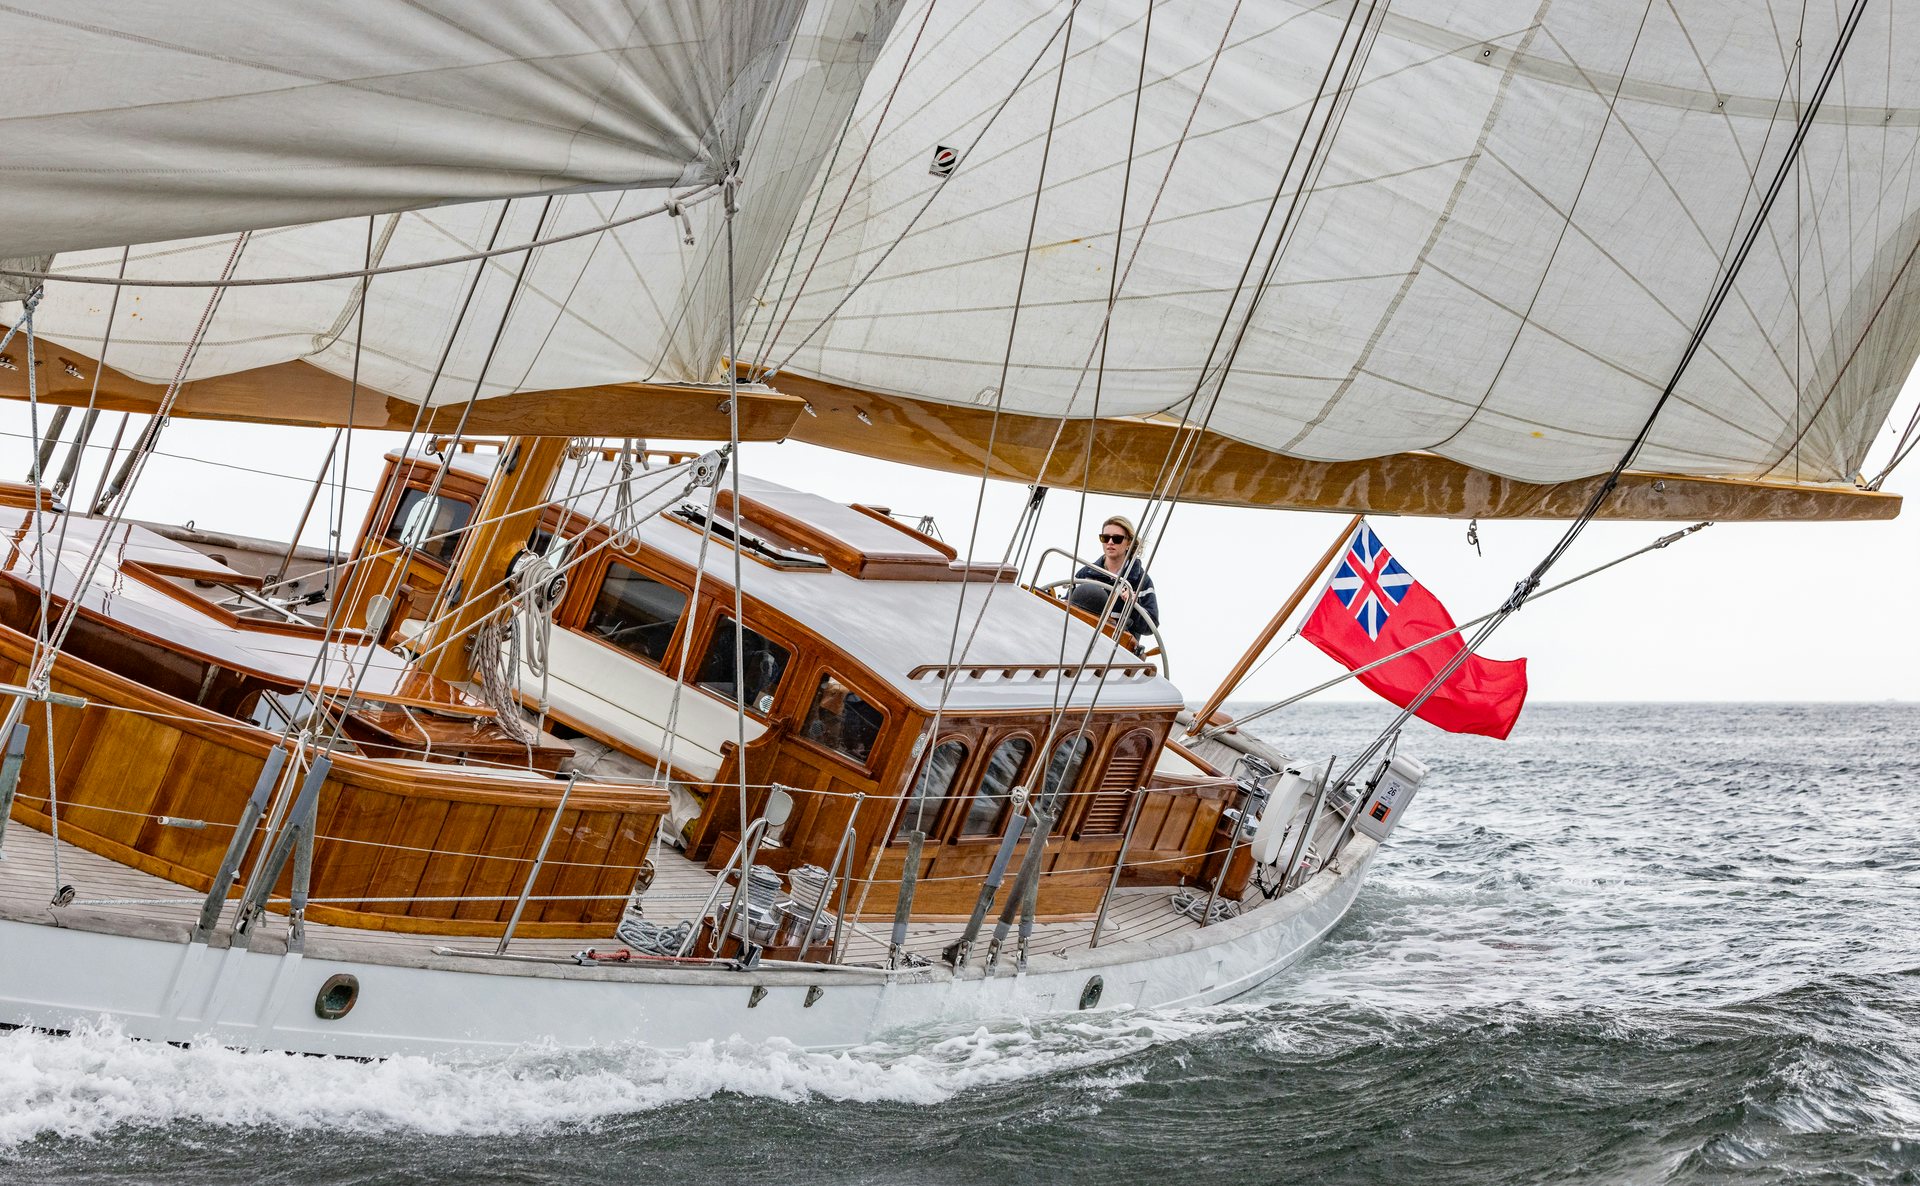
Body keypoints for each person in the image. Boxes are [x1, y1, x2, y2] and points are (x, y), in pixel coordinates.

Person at [1070, 515, 1161, 638]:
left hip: (1116, 650)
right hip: (1081, 639)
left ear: (1129, 543)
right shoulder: (1085, 574)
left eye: (1117, 539)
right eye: (1105, 538)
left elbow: (1151, 626)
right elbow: (1067, 607)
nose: (1110, 542)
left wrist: (1133, 605)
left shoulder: (1142, 581)